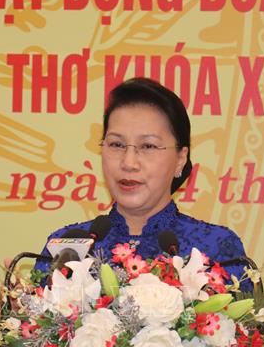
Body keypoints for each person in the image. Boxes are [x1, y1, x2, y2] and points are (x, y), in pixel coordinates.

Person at [35, 78, 251, 288]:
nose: (129, 163)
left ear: (180, 159)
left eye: (148, 146)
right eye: (116, 144)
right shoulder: (67, 248)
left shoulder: (217, 249)